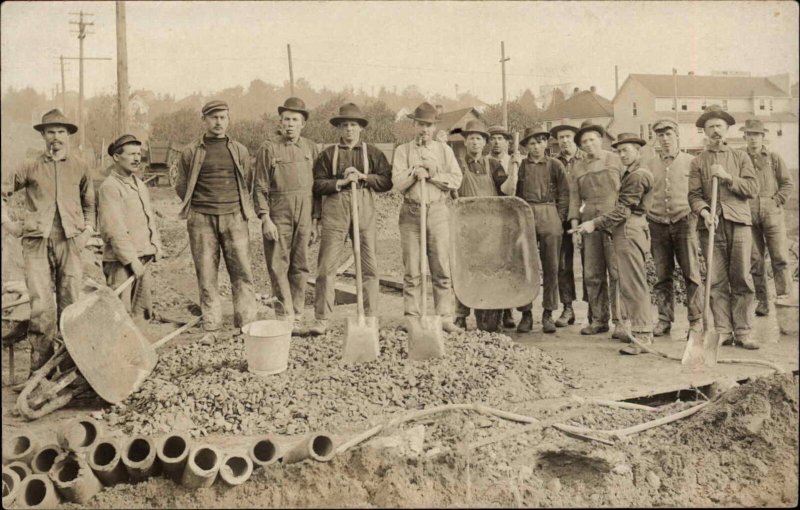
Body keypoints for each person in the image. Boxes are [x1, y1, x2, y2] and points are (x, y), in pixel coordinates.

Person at [0, 109, 95, 377]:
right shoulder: (29, 166)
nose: (56, 137)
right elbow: (3, 191)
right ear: (43, 135)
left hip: (71, 242)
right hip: (36, 244)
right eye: (51, 131)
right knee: (41, 305)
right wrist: (8, 225)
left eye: (61, 132)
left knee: (72, 303)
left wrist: (86, 232)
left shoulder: (80, 167)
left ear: (69, 136)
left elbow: (90, 205)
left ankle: (69, 368)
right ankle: (40, 372)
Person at [174, 100, 258, 345]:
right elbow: (181, 184)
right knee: (207, 274)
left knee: (242, 272)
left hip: (235, 216)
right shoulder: (191, 151)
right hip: (201, 218)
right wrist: (201, 204)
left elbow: (248, 181)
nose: (218, 122)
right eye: (213, 118)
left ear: (228, 120)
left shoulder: (240, 150)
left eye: (222, 117)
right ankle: (211, 327)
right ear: (205, 120)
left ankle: (247, 325)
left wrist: (236, 206)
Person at [310, 103, 392, 335]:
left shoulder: (373, 153)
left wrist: (364, 176)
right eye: (344, 125)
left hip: (364, 205)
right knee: (327, 265)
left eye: (353, 125)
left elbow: (387, 181)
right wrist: (342, 183)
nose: (349, 129)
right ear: (339, 128)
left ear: (360, 128)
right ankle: (322, 319)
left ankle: (370, 316)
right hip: (336, 208)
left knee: (369, 264)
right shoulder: (327, 154)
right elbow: (316, 184)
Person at [572, 133, 655, 355]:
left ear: (639, 151)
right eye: (619, 150)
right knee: (630, 283)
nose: (622, 154)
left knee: (634, 284)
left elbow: (623, 210)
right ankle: (640, 332)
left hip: (629, 229)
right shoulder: (631, 173)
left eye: (626, 150)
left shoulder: (637, 176)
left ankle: (643, 335)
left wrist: (594, 223)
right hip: (625, 229)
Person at [688, 105, 759, 348]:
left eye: (719, 126)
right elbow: (694, 195)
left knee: (741, 277)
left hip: (739, 222)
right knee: (716, 280)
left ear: (727, 129)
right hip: (711, 226)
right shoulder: (698, 162)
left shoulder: (741, 157)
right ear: (705, 132)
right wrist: (705, 212)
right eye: (711, 127)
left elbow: (752, 189)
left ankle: (743, 330)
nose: (715, 130)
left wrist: (728, 177)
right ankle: (722, 330)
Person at [391, 102, 463, 333]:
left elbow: (455, 180)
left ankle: (444, 317)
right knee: (412, 269)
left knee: (441, 266)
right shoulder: (403, 151)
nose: (425, 129)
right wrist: (414, 173)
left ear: (434, 127)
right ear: (414, 125)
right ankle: (412, 317)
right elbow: (398, 183)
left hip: (437, 211)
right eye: (421, 124)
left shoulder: (444, 151)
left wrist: (432, 174)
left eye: (429, 125)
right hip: (411, 212)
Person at [254, 97, 321, 332]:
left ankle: (299, 313)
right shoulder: (269, 148)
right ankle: (284, 315)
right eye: (286, 120)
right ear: (280, 123)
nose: (290, 124)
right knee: (277, 264)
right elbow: (260, 186)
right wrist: (265, 218)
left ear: (303, 124)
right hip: (278, 212)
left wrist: (315, 221)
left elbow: (317, 188)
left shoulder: (311, 148)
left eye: (295, 120)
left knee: (300, 265)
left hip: (305, 212)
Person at [502, 124, 569, 333]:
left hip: (550, 214)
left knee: (552, 267)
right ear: (526, 146)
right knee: (526, 267)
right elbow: (512, 192)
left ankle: (548, 313)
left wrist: (559, 218)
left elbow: (564, 194)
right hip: (526, 215)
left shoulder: (556, 165)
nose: (537, 146)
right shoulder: (520, 166)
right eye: (532, 143)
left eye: (540, 141)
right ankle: (526, 314)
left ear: (546, 143)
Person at [645, 118, 704, 338]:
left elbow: (700, 193)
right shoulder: (649, 165)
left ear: (677, 135)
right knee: (662, 275)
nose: (665, 139)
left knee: (691, 273)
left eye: (668, 134)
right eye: (660, 135)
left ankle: (696, 320)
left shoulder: (692, 162)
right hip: (657, 224)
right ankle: (664, 319)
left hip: (684, 222)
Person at [568, 121, 622, 338]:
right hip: (588, 221)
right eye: (584, 142)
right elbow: (574, 200)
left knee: (617, 272)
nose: (589, 144)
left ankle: (621, 322)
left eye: (592, 139)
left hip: (614, 220)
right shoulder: (577, 167)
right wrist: (575, 230)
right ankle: (599, 320)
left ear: (600, 139)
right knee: (591, 273)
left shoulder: (616, 160)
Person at [97, 135, 161, 319]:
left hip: (143, 257)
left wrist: (155, 246)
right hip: (121, 262)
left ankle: (137, 347)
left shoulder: (139, 184)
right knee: (120, 313)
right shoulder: (110, 187)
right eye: (131, 154)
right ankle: (117, 348)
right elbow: (114, 229)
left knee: (141, 310)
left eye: (138, 154)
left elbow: (149, 218)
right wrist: (131, 260)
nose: (136, 158)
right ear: (117, 157)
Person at [452, 120, 508, 330]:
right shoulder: (457, 163)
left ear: (484, 142)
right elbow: (451, 189)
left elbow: (506, 192)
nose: (475, 142)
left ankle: (489, 317)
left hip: (491, 228)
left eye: (479, 138)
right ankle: (461, 315)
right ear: (465, 142)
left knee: (489, 271)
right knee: (464, 270)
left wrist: (515, 167)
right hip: (466, 227)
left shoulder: (493, 165)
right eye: (471, 138)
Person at [740, 119, 794, 316]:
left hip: (772, 214)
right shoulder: (740, 158)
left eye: (757, 134)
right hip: (748, 213)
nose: (753, 139)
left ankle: (785, 300)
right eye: (750, 134)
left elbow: (788, 183)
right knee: (755, 260)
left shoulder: (773, 158)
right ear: (744, 137)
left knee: (780, 257)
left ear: (763, 137)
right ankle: (763, 301)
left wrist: (776, 200)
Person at [550, 123, 587, 328]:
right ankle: (568, 308)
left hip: (588, 216)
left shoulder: (586, 158)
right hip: (562, 218)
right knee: (563, 265)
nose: (564, 141)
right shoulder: (553, 163)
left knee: (591, 265)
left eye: (568, 136)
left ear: (575, 138)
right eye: (560, 137)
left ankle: (596, 311)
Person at [487, 124, 516, 329]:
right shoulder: (486, 162)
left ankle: (509, 310)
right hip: (490, 219)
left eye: (501, 138)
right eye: (493, 138)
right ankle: (494, 311)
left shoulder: (515, 161)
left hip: (512, 218)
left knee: (510, 264)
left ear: (508, 142)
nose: (497, 142)